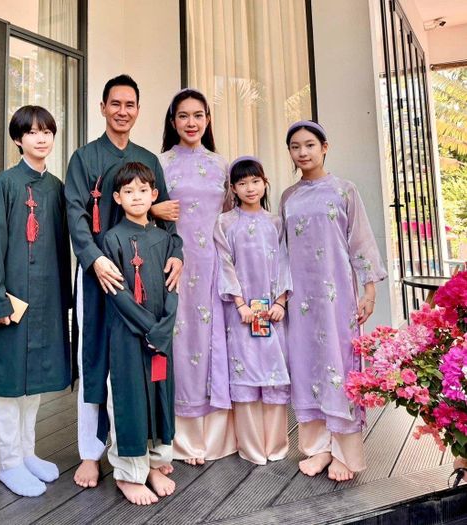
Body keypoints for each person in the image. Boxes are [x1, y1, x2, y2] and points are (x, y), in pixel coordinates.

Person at [65, 74, 183, 488]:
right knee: (94, 358)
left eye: (129, 104)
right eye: (115, 103)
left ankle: (144, 451)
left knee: (142, 362)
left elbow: (166, 216)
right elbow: (76, 214)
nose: (122, 111)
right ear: (102, 108)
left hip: (144, 280)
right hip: (99, 274)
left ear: (138, 110)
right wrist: (94, 259)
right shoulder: (84, 158)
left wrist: (177, 254)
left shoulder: (147, 160)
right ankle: (91, 452)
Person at [280, 120, 387, 481]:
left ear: (324, 147)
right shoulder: (288, 197)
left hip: (336, 294)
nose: (303, 152)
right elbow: (282, 250)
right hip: (300, 298)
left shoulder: (344, 190)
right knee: (307, 365)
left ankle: (344, 451)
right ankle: (318, 448)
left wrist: (369, 290)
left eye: (309, 145)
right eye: (295, 147)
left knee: (339, 365)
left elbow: (361, 241)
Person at [0, 105, 72, 497]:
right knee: (10, 383)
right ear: (18, 139)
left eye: (46, 131)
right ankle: (9, 462)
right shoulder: (5, 184)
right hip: (11, 300)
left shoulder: (57, 188)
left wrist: (63, 300)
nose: (41, 138)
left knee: (34, 384)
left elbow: (62, 248)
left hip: (45, 301)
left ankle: (28, 453)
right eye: (31, 132)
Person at [156, 88, 236, 465]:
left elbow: (232, 216)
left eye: (198, 115)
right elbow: (142, 208)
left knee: (216, 339)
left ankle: (216, 438)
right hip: (173, 264)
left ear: (208, 120)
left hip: (215, 264)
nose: (191, 122)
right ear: (173, 122)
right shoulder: (160, 163)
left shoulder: (222, 165)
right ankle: (182, 439)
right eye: (184, 116)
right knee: (180, 338)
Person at [102, 161, 178, 505]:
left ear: (154, 194)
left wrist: (164, 328)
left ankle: (154, 464)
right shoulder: (112, 239)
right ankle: (129, 474)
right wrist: (150, 328)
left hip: (160, 336)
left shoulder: (164, 239)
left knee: (160, 394)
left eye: (143, 190)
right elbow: (116, 292)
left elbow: (173, 287)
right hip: (128, 335)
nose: (136, 196)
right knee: (130, 398)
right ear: (117, 197)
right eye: (128, 191)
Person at [214, 156, 292, 465]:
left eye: (255, 181)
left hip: (273, 312)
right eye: (243, 183)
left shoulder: (276, 222)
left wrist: (281, 301)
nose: (250, 188)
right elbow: (224, 264)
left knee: (273, 375)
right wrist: (240, 304)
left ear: (265, 183)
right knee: (244, 374)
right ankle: (251, 447)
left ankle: (276, 445)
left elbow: (285, 262)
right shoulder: (225, 223)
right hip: (241, 313)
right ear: (233, 188)